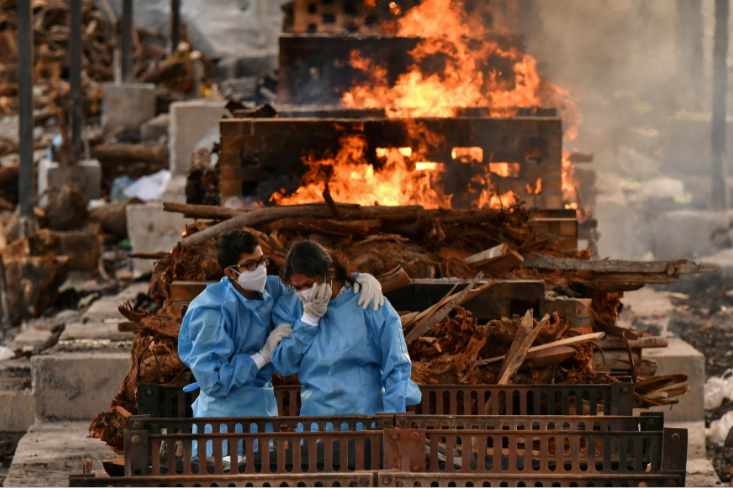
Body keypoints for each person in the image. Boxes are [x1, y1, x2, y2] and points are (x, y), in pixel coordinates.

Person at [178, 230, 385, 419]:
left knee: (262, 460)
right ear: (231, 273)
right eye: (250, 265)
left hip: (262, 406)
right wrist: (261, 358)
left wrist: (357, 279)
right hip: (222, 417)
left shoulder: (270, 289)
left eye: (262, 261)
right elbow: (213, 381)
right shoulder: (212, 311)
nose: (260, 270)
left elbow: (311, 282)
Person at [271, 240, 421, 417]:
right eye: (297, 287)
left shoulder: (367, 301)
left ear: (330, 274)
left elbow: (396, 365)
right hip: (315, 425)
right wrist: (308, 321)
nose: (303, 292)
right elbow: (283, 364)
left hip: (365, 421)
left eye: (309, 284)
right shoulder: (292, 306)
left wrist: (392, 417)